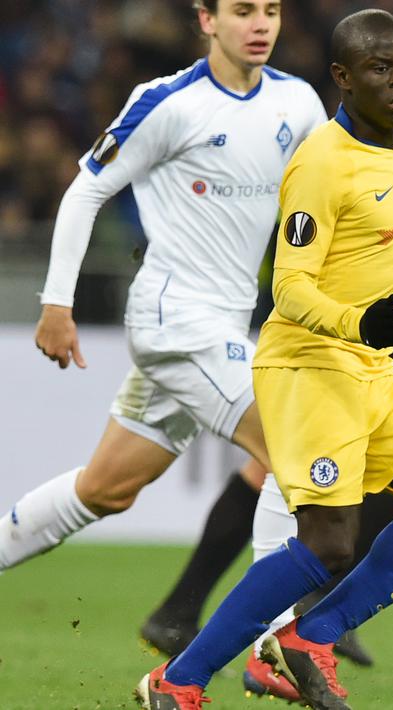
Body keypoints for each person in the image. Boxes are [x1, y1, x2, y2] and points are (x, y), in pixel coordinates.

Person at [138, 0, 393, 682]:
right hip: (313, 358)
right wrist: (360, 323)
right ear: (343, 78)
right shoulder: (319, 164)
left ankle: (310, 633)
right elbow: (291, 286)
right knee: (326, 539)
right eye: (381, 68)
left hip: (371, 357)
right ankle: (181, 676)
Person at [0, 0, 325, 576]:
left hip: (222, 325)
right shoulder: (171, 102)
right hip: (174, 320)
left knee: (106, 489)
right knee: (294, 450)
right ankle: (271, 646)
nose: (259, 24)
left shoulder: (297, 102)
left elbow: (334, 197)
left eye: (271, 11)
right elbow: (85, 191)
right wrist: (56, 303)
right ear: (207, 21)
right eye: (243, 10)